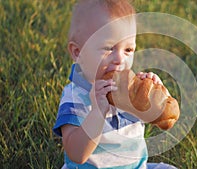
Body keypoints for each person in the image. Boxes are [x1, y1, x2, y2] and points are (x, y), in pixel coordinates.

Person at [53, 0, 177, 168]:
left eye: (128, 50)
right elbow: (76, 154)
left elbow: (164, 120)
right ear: (78, 52)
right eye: (109, 48)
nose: (120, 59)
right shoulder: (76, 96)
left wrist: (157, 95)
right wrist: (97, 112)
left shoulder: (130, 89)